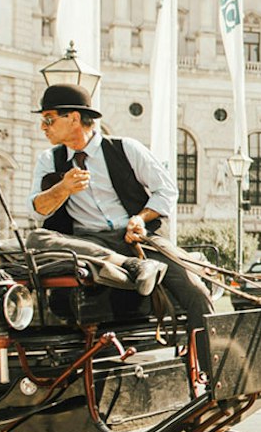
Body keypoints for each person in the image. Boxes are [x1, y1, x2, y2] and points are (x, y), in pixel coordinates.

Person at [28, 83, 210, 322]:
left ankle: (209, 354)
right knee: (35, 238)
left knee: (195, 291)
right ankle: (133, 266)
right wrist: (62, 189)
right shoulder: (49, 160)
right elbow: (36, 211)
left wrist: (140, 219)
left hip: (134, 238)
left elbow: (165, 191)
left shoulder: (126, 148)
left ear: (73, 118)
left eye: (49, 119)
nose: (43, 127)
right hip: (87, 243)